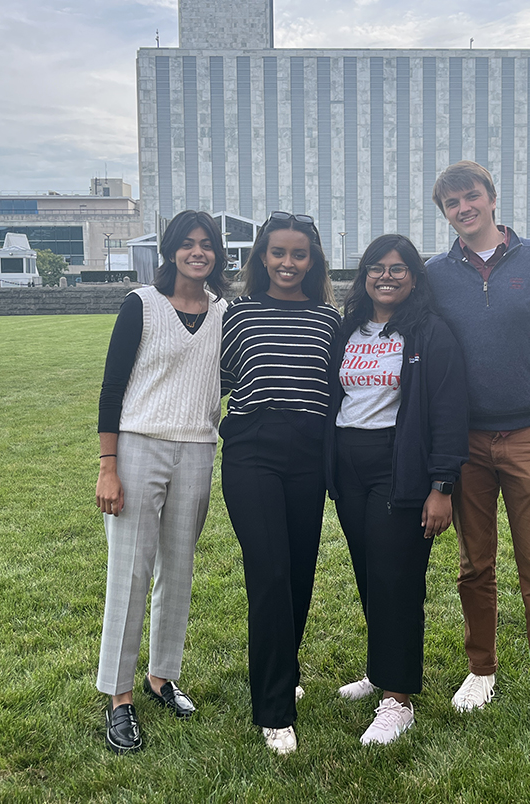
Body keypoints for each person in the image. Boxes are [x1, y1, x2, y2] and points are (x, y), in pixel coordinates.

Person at [425, 160, 530, 749]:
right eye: (452, 203)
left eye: (472, 197)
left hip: (529, 436)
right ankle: (481, 669)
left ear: (492, 199)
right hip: (464, 441)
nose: (464, 208)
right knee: (475, 566)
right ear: (444, 212)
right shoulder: (435, 274)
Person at [94, 210, 230, 754]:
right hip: (138, 446)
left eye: (207, 246)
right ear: (170, 250)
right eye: (187, 244)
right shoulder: (141, 305)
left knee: (179, 566)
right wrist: (108, 465)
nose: (198, 253)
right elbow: (111, 386)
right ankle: (120, 697)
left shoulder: (226, 312)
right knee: (130, 570)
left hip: (198, 447)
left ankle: (161, 677)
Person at [324, 234, 468, 745]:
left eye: (398, 267)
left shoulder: (430, 333)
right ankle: (379, 670)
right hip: (349, 466)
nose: (387, 276)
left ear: (414, 275)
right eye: (376, 268)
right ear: (364, 276)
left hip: (398, 467)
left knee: (397, 579)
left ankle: (398, 699)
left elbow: (450, 414)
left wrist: (442, 486)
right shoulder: (348, 329)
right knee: (370, 573)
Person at [219, 212, 340, 755]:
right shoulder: (237, 315)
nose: (288, 263)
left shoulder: (329, 319)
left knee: (297, 572)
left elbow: (342, 393)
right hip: (252, 449)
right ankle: (273, 711)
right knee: (268, 571)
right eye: (278, 253)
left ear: (312, 261)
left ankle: (282, 670)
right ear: (261, 258)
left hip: (309, 450)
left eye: (299, 255)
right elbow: (214, 382)